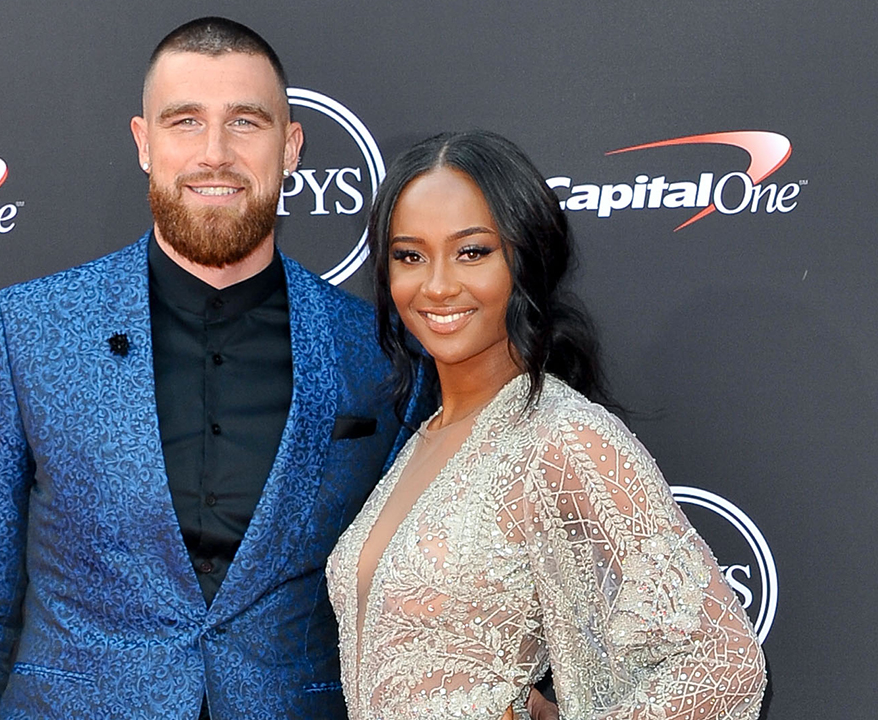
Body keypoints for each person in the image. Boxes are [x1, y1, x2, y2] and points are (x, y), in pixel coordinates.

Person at [0, 17, 412, 719]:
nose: (215, 153)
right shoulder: (28, 332)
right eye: (184, 122)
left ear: (290, 146)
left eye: (245, 122)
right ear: (144, 142)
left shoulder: (375, 347)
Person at [326, 130, 768, 719]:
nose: (435, 285)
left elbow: (724, 664)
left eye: (472, 252)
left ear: (524, 258)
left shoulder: (563, 438)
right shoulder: (425, 438)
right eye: (410, 255)